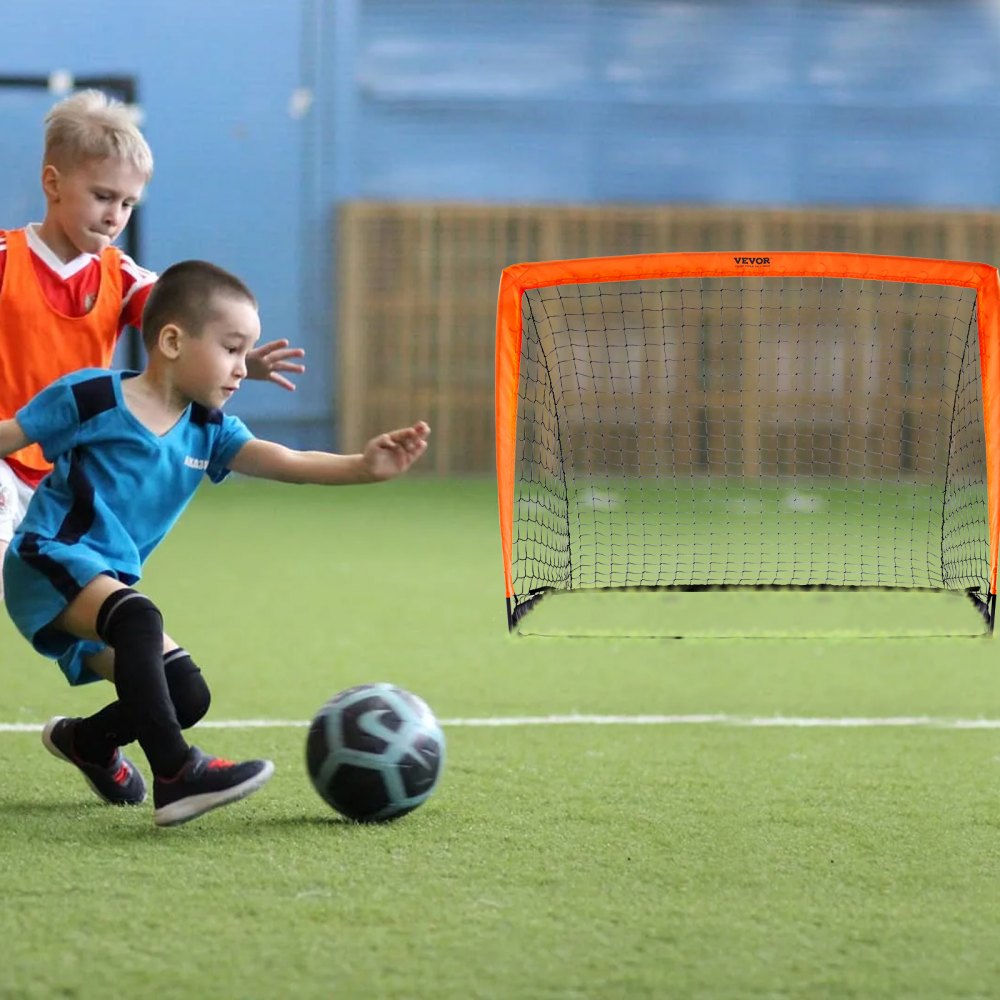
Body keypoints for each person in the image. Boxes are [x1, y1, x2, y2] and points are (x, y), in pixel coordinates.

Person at [0, 259, 430, 827]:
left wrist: (362, 467)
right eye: (232, 350)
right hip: (45, 561)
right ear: (173, 341)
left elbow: (289, 462)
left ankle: (89, 743)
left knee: (186, 693)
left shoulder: (211, 428)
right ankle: (177, 773)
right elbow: (10, 437)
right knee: (137, 619)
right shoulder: (92, 398)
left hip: (101, 582)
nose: (241, 369)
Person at [0, 89, 305, 601]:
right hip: (4, 454)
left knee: (87, 610)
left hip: (67, 476)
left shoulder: (127, 279)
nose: (115, 215)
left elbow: (187, 332)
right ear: (53, 183)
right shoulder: (7, 259)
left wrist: (235, 359)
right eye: (102, 196)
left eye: (127, 204)